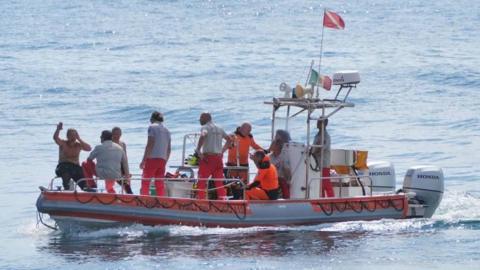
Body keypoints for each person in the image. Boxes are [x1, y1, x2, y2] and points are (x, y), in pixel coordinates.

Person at [195, 112, 232, 200]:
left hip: (208, 158)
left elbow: (203, 135)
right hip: (218, 158)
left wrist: (198, 149)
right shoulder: (219, 128)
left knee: (202, 181)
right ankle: (223, 200)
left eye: (200, 118)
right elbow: (229, 140)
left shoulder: (205, 127)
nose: (199, 120)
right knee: (219, 182)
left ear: (205, 118)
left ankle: (201, 200)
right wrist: (222, 151)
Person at [140, 111, 171, 196]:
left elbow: (150, 144)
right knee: (159, 184)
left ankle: (144, 200)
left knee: (145, 182)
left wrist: (143, 160)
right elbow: (169, 149)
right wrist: (165, 161)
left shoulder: (152, 127)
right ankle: (161, 201)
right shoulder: (167, 130)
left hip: (152, 159)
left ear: (152, 118)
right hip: (162, 160)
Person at [53, 122, 92, 190]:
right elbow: (55, 138)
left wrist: (79, 139)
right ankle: (66, 188)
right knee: (66, 173)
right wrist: (58, 129)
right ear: (67, 136)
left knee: (83, 179)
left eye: (74, 135)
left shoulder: (79, 145)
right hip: (63, 166)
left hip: (75, 167)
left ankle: (86, 190)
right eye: (71, 135)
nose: (73, 137)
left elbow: (89, 148)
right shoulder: (63, 143)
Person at [312, 118, 334, 197]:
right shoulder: (317, 135)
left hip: (324, 163)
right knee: (319, 184)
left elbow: (320, 148)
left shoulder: (326, 136)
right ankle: (321, 198)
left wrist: (312, 153)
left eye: (320, 121)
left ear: (325, 124)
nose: (317, 123)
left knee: (326, 183)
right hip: (317, 163)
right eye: (318, 121)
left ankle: (332, 200)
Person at [268, 129, 292, 198]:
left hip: (280, 180)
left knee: (281, 182)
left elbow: (287, 172)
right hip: (271, 180)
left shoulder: (284, 156)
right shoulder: (269, 157)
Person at [112, 126, 133, 194]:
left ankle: (129, 195)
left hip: (122, 165)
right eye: (115, 134)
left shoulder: (123, 144)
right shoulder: (110, 144)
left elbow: (125, 159)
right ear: (112, 134)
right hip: (113, 166)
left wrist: (127, 172)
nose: (117, 136)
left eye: (118, 134)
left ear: (121, 134)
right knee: (123, 183)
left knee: (126, 183)